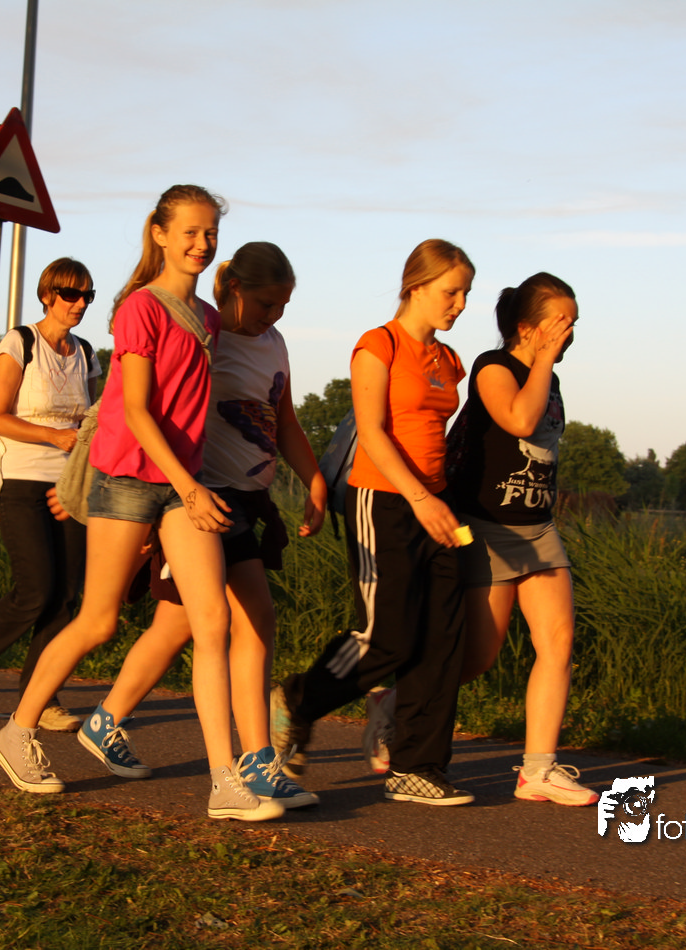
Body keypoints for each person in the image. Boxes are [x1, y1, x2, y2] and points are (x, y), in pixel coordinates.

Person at [0, 184, 282, 821]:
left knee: (212, 621)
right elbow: (138, 412)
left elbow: (198, 409)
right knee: (98, 621)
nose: (201, 244)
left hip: (182, 483)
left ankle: (225, 782)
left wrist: (192, 485)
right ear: (160, 234)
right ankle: (17, 730)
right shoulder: (139, 309)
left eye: (210, 233)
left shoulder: (208, 318)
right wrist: (190, 486)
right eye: (190, 232)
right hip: (128, 478)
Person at [78, 242, 326, 810]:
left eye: (283, 306)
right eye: (265, 304)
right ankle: (256, 763)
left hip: (250, 499)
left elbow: (284, 420)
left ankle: (106, 719)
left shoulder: (273, 342)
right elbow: (148, 408)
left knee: (180, 624)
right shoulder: (208, 337)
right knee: (249, 617)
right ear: (233, 287)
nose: (273, 316)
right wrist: (158, 503)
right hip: (202, 497)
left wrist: (313, 480)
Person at [271, 239, 476, 807]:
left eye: (465, 294)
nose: (460, 304)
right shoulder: (377, 345)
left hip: (436, 505)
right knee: (386, 635)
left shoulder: (448, 360)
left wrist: (443, 503)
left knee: (442, 638)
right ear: (416, 286)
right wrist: (420, 498)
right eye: (450, 292)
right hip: (383, 500)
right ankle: (299, 698)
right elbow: (374, 433)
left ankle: (417, 767)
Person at [446, 271, 596, 806]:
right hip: (487, 526)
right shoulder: (494, 367)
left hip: (538, 528)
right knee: (479, 656)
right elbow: (519, 420)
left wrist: (546, 364)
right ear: (527, 327)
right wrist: (544, 361)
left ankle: (538, 771)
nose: (569, 332)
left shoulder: (547, 378)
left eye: (574, 323)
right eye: (560, 322)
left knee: (558, 643)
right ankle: (396, 705)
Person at [0, 257, 102, 732]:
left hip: (70, 485)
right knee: (35, 590)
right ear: (48, 295)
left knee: (66, 597)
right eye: (71, 294)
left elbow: (96, 420)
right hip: (20, 478)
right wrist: (54, 436)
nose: (80, 304)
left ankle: (42, 697)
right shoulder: (21, 343)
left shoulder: (85, 352)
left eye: (88, 295)